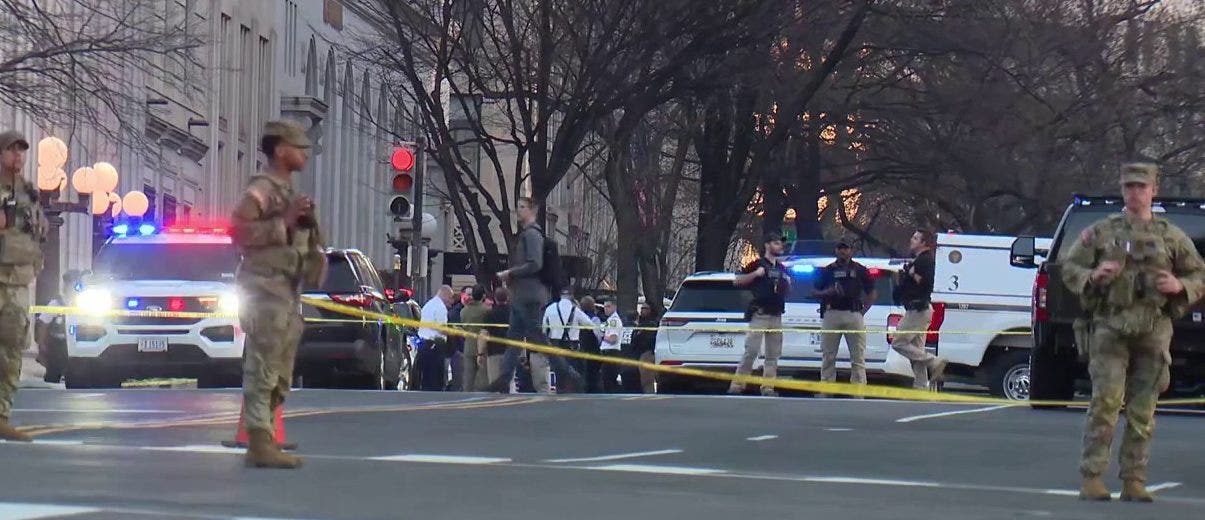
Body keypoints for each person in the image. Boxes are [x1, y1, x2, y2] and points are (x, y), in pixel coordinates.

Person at [1062, 161, 1205, 502]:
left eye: (1142, 187)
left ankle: (1134, 479)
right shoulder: (1100, 231)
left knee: (1143, 409)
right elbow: (1070, 267)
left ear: (1154, 190)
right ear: (1122, 190)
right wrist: (1093, 276)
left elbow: (1199, 274)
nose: (1135, 193)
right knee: (1105, 403)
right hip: (1110, 325)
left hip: (1154, 327)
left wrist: (1179, 285)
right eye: (1130, 187)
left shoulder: (1171, 235)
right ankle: (1093, 476)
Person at [230, 120, 326, 468]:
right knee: (263, 363)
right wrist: (282, 222)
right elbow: (238, 230)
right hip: (263, 287)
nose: (304, 154)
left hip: (286, 289)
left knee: (281, 369)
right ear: (280, 149)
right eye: (298, 147)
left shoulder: (288, 192)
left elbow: (307, 242)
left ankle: (266, 434)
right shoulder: (262, 189)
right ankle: (258, 440)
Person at [487, 197, 585, 393]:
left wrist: (510, 273)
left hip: (529, 295)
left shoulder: (532, 235)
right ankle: (503, 379)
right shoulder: (528, 234)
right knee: (514, 338)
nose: (518, 211)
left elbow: (535, 263)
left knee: (536, 336)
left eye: (522, 207)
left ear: (532, 210)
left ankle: (567, 374)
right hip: (522, 294)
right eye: (518, 206)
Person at [0, 131, 46, 442]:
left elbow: (39, 233)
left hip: (17, 281)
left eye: (22, 150)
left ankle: (1, 415)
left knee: (12, 348)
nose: (18, 156)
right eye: (12, 150)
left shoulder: (28, 193)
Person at [728, 232, 790, 397]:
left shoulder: (782, 268)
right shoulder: (757, 264)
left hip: (776, 315)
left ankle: (768, 387)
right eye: (776, 243)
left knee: (773, 354)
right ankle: (737, 385)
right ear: (767, 245)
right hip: (760, 314)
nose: (780, 246)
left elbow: (786, 291)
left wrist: (788, 284)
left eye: (781, 244)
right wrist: (756, 274)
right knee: (751, 351)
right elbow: (737, 281)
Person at [891, 229, 949, 389]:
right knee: (916, 351)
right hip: (917, 309)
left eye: (916, 238)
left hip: (918, 309)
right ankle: (921, 387)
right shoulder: (918, 261)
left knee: (898, 343)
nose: (911, 240)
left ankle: (934, 361)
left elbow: (927, 283)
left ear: (923, 243)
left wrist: (912, 273)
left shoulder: (925, 261)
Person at [813, 242, 876, 390]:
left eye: (846, 248)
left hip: (853, 314)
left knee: (858, 356)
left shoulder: (859, 270)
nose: (843, 252)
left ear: (851, 251)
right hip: (832, 313)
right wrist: (828, 292)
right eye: (840, 249)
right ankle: (827, 387)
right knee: (828, 355)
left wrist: (862, 311)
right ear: (835, 250)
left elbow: (872, 292)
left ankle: (858, 389)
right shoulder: (828, 270)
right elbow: (814, 291)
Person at [537, 288, 599, 393]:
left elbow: (543, 329)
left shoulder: (550, 308)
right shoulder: (575, 310)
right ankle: (572, 391)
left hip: (555, 344)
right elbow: (590, 325)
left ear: (560, 296)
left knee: (558, 370)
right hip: (571, 345)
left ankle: (560, 390)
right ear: (571, 296)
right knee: (571, 371)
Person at [36, 269, 83, 384]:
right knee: (53, 375)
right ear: (67, 285)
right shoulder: (56, 303)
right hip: (58, 345)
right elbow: (43, 324)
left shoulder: (82, 303)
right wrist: (41, 345)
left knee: (74, 377)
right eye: (74, 282)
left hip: (76, 344)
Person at [416, 286, 454, 391]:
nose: (451, 301)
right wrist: (454, 332)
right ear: (445, 295)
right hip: (435, 345)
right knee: (435, 378)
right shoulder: (440, 307)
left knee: (426, 377)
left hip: (424, 344)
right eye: (450, 297)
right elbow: (441, 328)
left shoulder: (428, 305)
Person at [458, 285, 492, 392]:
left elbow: (463, 326)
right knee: (483, 377)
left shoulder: (464, 311)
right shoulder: (487, 311)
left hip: (468, 345)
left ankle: (466, 397)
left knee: (468, 376)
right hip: (483, 347)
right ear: (483, 296)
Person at [630, 303, 659, 393]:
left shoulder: (653, 324)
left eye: (645, 308)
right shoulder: (639, 324)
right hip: (636, 354)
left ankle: (649, 396)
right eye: (642, 308)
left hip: (647, 353)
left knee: (647, 380)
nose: (643, 310)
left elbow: (649, 339)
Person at [577, 296, 604, 392]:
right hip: (593, 351)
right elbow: (599, 335)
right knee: (593, 375)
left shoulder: (576, 317)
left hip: (580, 350)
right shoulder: (594, 319)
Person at [597, 299, 625, 393]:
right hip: (608, 354)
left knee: (608, 381)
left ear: (614, 307)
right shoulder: (609, 320)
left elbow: (613, 339)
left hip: (611, 353)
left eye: (608, 306)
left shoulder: (614, 321)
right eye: (604, 306)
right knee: (607, 381)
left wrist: (602, 337)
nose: (606, 309)